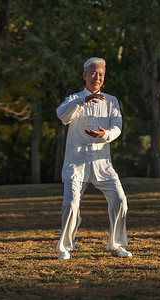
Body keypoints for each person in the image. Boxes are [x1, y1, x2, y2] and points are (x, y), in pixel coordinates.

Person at [55, 57, 131, 260]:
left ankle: (116, 244)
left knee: (120, 200)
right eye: (93, 73)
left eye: (101, 74)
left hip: (101, 162)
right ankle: (65, 248)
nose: (97, 77)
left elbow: (117, 127)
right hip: (76, 162)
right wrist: (82, 101)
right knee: (71, 204)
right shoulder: (74, 98)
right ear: (85, 75)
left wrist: (104, 134)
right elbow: (62, 116)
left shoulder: (111, 100)